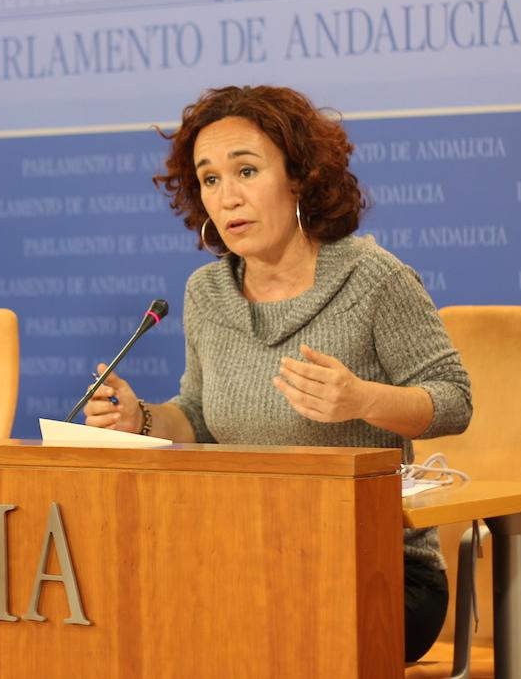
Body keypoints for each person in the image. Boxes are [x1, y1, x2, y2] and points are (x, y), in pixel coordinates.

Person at [83, 85, 471, 662]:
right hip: (244, 553)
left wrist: (361, 399)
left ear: (299, 177)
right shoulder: (207, 292)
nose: (228, 197)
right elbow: (197, 416)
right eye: (210, 180)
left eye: (246, 171)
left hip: (376, 568)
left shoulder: (373, 278)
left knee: (244, 623)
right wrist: (140, 419)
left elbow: (454, 400)